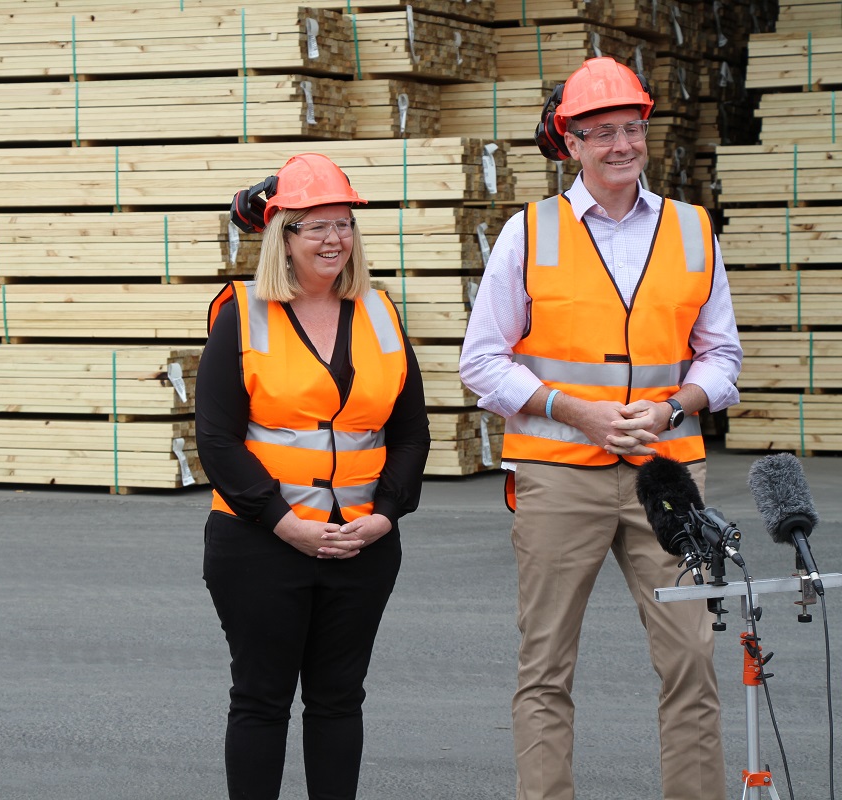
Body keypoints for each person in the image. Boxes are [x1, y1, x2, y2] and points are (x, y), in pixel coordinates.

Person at [459, 57, 743, 800]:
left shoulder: (691, 229)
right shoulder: (528, 234)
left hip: (668, 473)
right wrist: (573, 409)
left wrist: (673, 406)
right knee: (545, 666)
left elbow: (724, 357)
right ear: (570, 143)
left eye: (632, 127)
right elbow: (481, 362)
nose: (622, 144)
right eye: (603, 132)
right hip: (559, 476)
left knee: (692, 663)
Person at [197, 153, 431, 799]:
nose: (334, 239)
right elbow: (215, 440)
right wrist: (284, 523)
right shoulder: (242, 314)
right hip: (259, 544)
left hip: (362, 544)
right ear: (284, 237)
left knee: (338, 701)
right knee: (262, 699)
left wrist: (385, 515)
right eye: (316, 226)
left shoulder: (380, 311)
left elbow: (411, 432)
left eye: (344, 224)